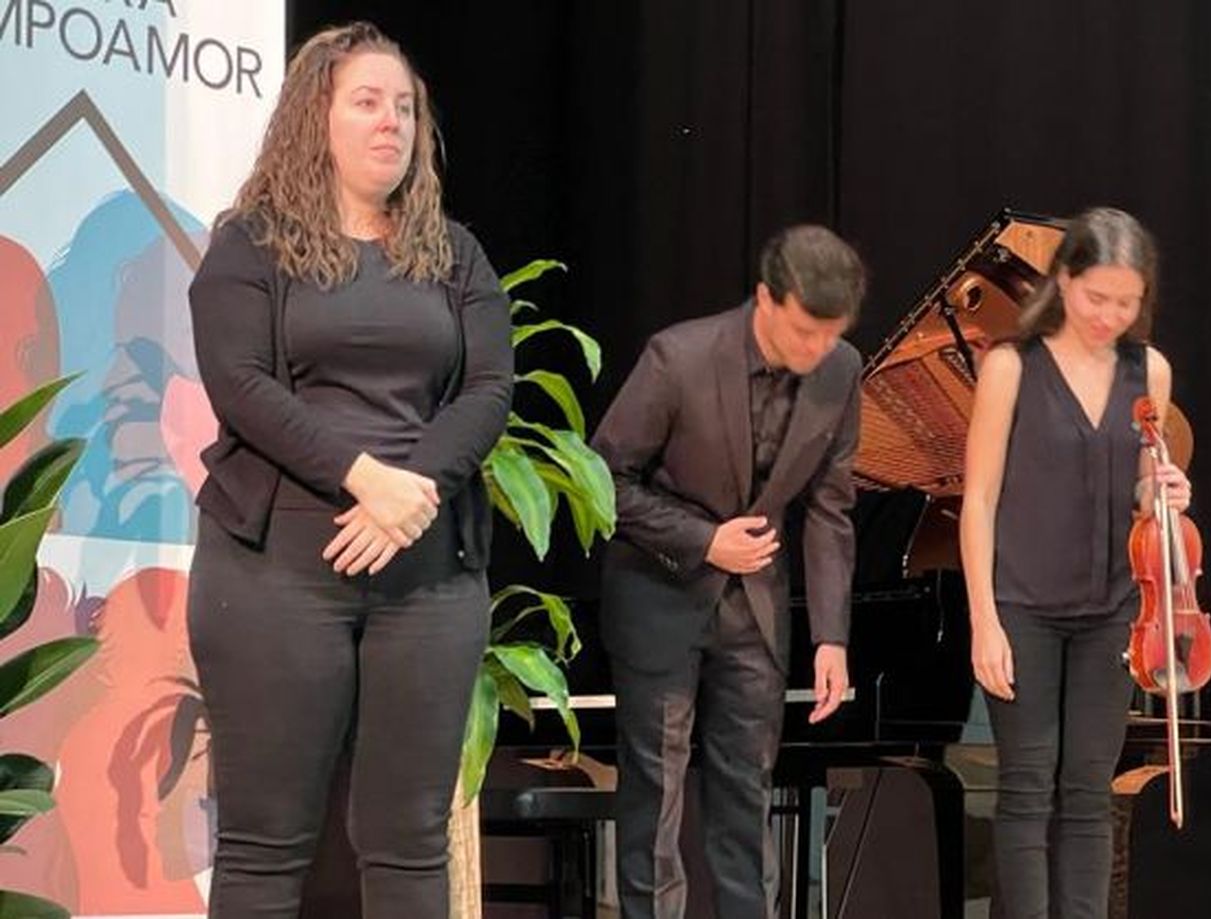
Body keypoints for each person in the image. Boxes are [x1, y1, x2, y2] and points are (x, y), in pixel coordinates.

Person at [184, 21, 512, 919]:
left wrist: (414, 492)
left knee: (410, 844)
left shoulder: (455, 255)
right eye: (367, 102)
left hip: (430, 576)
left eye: (404, 106)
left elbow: (489, 386)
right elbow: (239, 383)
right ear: (314, 119)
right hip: (273, 575)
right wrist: (366, 476)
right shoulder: (251, 245)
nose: (391, 122)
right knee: (265, 847)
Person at [591, 225, 866, 919]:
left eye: (831, 334)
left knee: (747, 793)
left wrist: (831, 637)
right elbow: (602, 480)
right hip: (661, 595)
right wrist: (703, 540)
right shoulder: (679, 357)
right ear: (765, 299)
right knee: (655, 791)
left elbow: (830, 507)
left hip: (756, 612)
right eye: (804, 331)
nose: (817, 349)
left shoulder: (841, 370)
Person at [960, 208, 1192, 919]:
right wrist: (984, 622)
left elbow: (1141, 488)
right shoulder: (1010, 367)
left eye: (1126, 302)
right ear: (1063, 281)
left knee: (1091, 793)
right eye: (1097, 297)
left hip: (1113, 610)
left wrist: (1166, 490)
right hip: (1022, 606)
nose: (1109, 316)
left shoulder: (1149, 369)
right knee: (1027, 790)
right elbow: (979, 500)